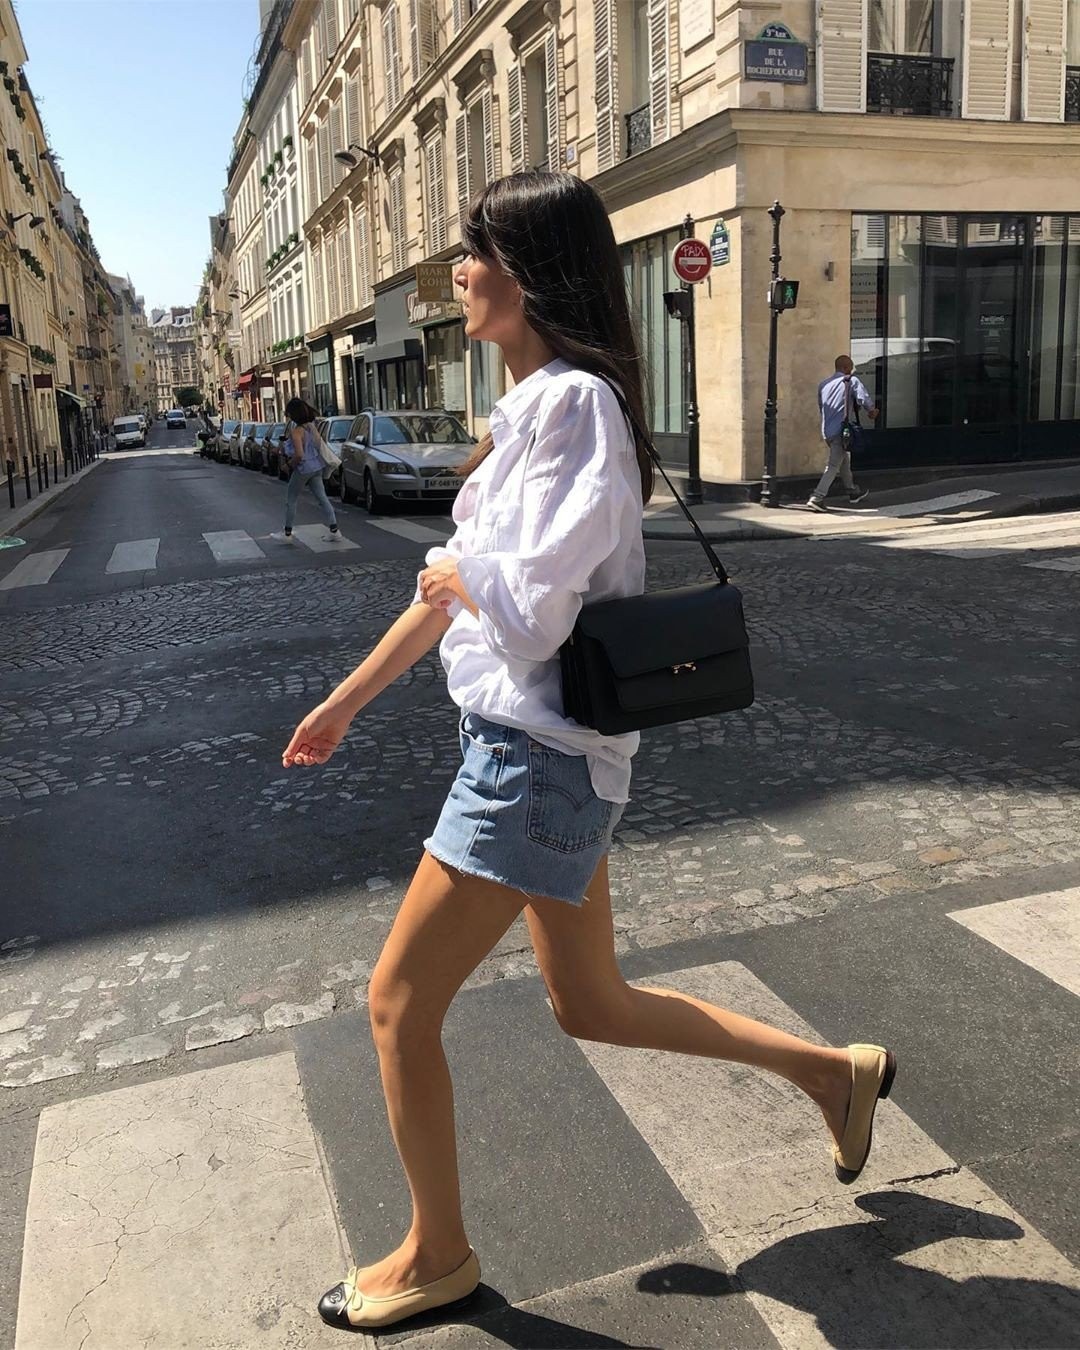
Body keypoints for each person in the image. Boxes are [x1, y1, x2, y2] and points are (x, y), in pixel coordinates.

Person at [283, 171, 896, 1334]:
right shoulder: (529, 417)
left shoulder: (575, 407)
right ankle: (833, 1074)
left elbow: (528, 609)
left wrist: (465, 575)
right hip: (541, 747)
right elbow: (446, 594)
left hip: (535, 760)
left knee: (397, 1005)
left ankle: (438, 1254)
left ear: (524, 270)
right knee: (591, 1002)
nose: (456, 272)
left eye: (472, 251)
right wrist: (344, 703)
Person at [806, 355, 879, 512]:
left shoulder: (823, 385)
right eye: (850, 368)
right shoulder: (851, 380)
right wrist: (871, 411)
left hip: (827, 430)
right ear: (846, 368)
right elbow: (863, 397)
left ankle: (853, 491)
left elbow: (822, 407)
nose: (851, 371)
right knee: (833, 465)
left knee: (844, 461)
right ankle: (817, 497)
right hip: (842, 431)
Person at [281, 397, 340, 541]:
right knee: (322, 498)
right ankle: (334, 530)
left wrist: (288, 465)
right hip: (317, 466)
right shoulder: (311, 427)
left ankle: (287, 534)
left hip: (303, 469)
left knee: (291, 499)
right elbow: (318, 444)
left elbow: (299, 455)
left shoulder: (297, 432)